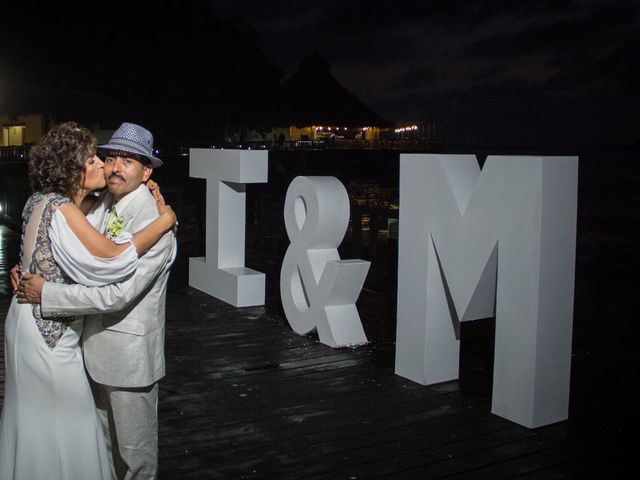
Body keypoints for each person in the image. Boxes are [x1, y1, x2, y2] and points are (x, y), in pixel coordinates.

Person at [0, 121, 176, 480]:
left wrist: (46, 292)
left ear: (146, 172)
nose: (113, 166)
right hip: (85, 351)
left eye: (129, 161)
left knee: (135, 458)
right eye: (111, 157)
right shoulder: (97, 204)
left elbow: (119, 293)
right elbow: (63, 242)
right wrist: (31, 262)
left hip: (127, 362)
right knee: (99, 450)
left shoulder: (156, 224)